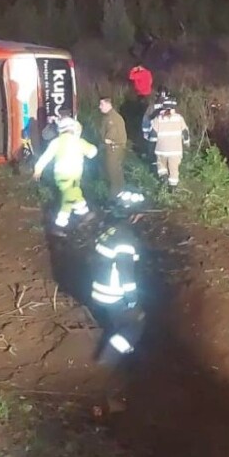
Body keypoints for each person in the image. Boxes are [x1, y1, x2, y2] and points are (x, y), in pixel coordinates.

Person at [89, 191, 146, 356]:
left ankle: (119, 348)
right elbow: (125, 273)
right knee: (136, 323)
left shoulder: (109, 231)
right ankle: (109, 359)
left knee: (117, 321)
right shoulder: (126, 239)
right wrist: (132, 299)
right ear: (133, 216)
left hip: (98, 288)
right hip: (113, 294)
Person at [32, 117, 98, 231]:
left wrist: (38, 169)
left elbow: (46, 157)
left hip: (61, 175)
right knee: (69, 198)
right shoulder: (78, 141)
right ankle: (60, 224)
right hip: (75, 175)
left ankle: (83, 213)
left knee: (74, 193)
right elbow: (92, 152)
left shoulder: (56, 142)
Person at [147, 99, 190, 192]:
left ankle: (164, 178)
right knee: (174, 170)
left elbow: (153, 136)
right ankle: (173, 189)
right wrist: (187, 143)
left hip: (161, 150)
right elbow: (185, 133)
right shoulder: (179, 118)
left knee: (161, 166)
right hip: (175, 151)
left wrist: (151, 145)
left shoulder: (158, 119)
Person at [98, 97, 128, 196]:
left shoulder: (112, 118)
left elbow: (110, 135)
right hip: (115, 148)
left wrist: (105, 141)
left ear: (108, 104)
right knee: (116, 172)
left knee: (113, 173)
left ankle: (114, 196)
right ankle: (120, 194)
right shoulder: (110, 117)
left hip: (113, 149)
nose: (100, 107)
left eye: (101, 104)